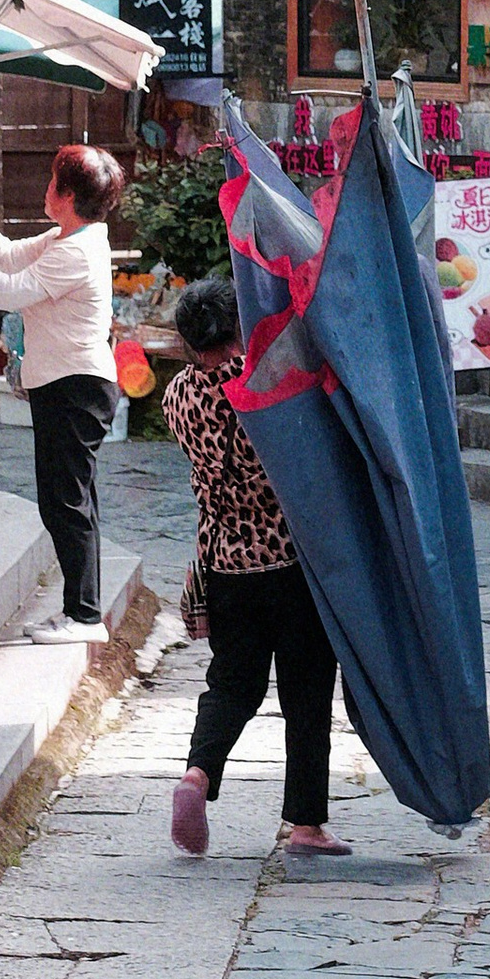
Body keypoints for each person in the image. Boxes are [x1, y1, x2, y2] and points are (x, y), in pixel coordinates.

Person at [159, 276, 349, 862]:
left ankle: (197, 773)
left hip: (223, 563)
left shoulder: (177, 397)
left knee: (232, 684)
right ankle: (305, 824)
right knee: (306, 694)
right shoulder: (265, 383)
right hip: (288, 560)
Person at [0, 146, 123, 647]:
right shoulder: (66, 236)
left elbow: (7, 291)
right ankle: (79, 609)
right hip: (65, 383)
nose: (46, 190)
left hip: (77, 386)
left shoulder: (75, 252)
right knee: (69, 500)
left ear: (67, 196)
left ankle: (84, 617)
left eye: (52, 182)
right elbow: (8, 256)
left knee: (66, 502)